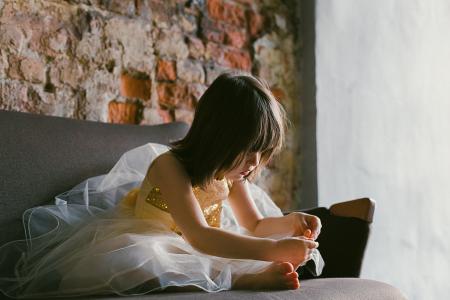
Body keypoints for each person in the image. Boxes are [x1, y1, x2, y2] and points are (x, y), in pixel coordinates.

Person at [0, 72, 323, 298]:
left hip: (198, 246)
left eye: (262, 153)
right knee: (139, 262)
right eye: (247, 150)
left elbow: (254, 224)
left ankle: (234, 274)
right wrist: (272, 250)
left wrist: (289, 222)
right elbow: (199, 235)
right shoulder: (170, 165)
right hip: (152, 237)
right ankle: (240, 278)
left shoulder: (231, 175)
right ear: (218, 137)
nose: (254, 164)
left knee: (233, 248)